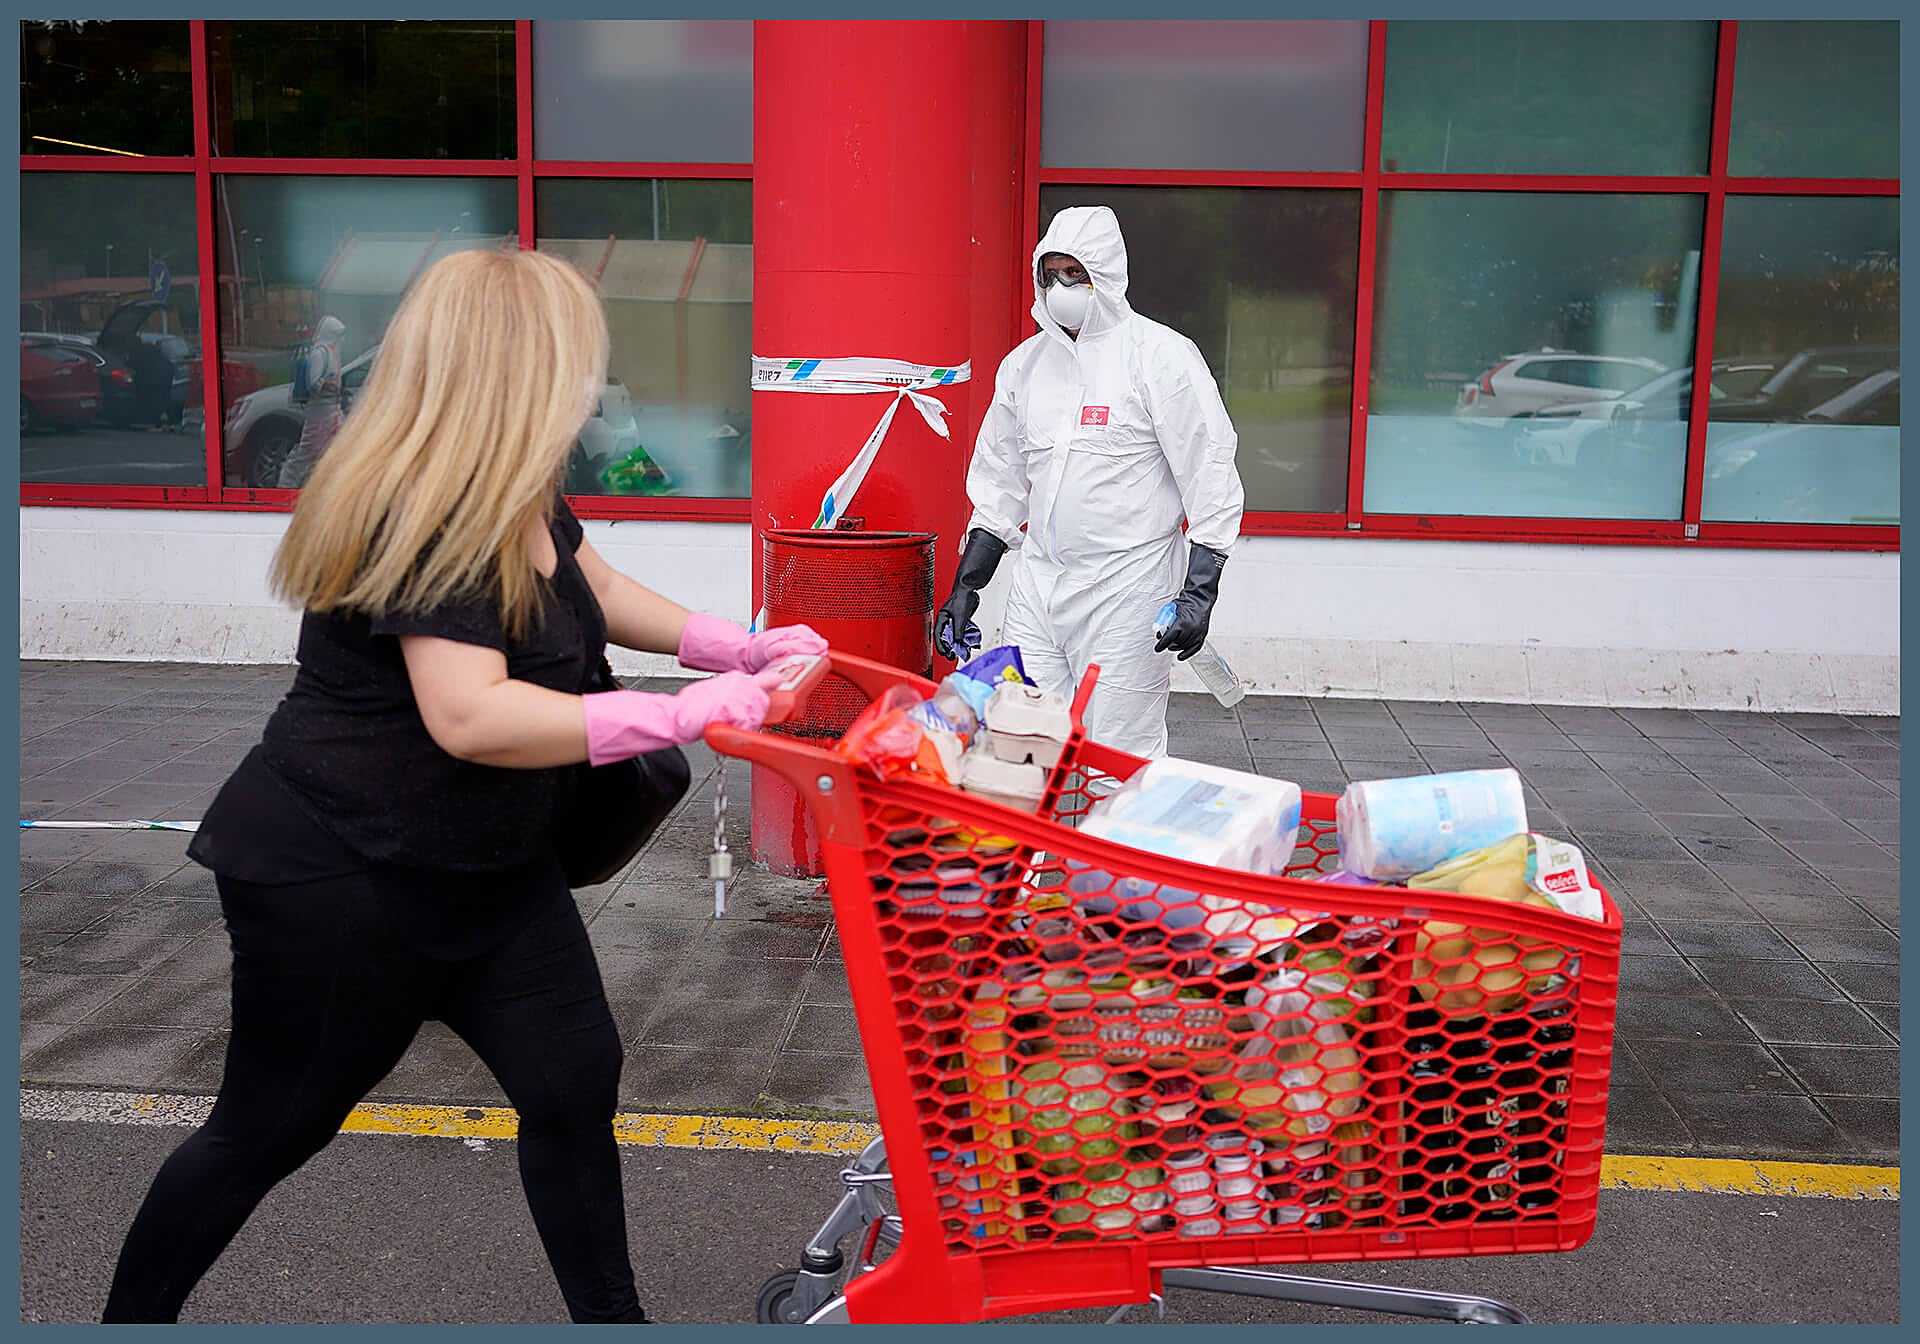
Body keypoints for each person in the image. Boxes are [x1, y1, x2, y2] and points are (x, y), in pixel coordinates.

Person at [99, 248, 826, 1325]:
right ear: (519, 367)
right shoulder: (422, 508)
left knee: (574, 1087)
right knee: (269, 1129)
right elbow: (471, 714)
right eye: (580, 358)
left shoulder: (516, 477)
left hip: (488, 868)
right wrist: (675, 716)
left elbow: (590, 579)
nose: (595, 378)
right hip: (343, 876)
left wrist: (732, 643)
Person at [934, 205, 1245, 759]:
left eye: (1074, 273)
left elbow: (1211, 476)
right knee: (1019, 747)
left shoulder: (1161, 358)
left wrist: (1199, 593)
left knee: (1118, 758)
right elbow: (1000, 487)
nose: (1060, 288)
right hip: (1039, 584)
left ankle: (1110, 848)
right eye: (1049, 274)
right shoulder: (1024, 367)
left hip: (1128, 586)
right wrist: (967, 588)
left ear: (1106, 274)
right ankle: (1031, 851)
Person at [277, 314, 346, 488]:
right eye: (337, 334)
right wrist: (327, 384)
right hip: (320, 411)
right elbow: (312, 383)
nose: (340, 339)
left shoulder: (331, 351)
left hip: (331, 410)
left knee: (339, 448)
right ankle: (285, 486)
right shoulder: (320, 353)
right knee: (308, 452)